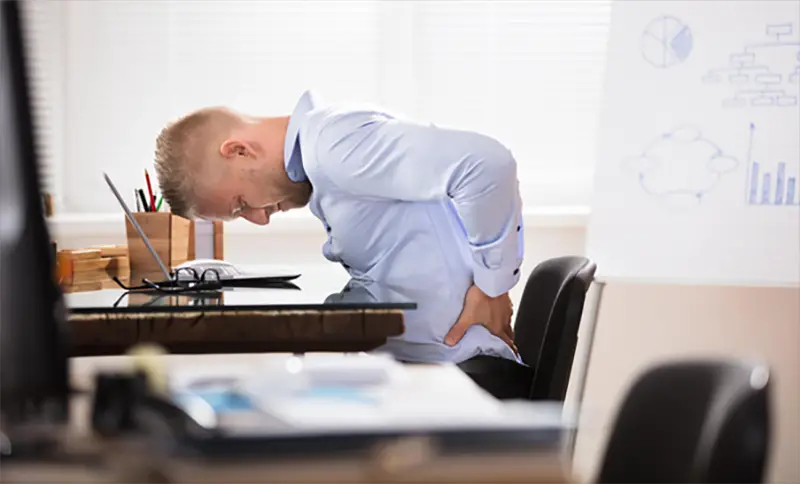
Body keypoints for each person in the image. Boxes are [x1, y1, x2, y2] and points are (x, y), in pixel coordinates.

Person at [153, 90, 524, 363]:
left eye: (241, 205)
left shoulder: (334, 146)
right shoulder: (325, 160)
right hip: (422, 370)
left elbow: (487, 165)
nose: (260, 218)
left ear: (239, 151)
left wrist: (493, 288)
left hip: (457, 375)